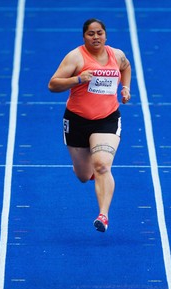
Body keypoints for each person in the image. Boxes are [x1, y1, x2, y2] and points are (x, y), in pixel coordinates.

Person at [48, 18, 132, 232]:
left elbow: (126, 66)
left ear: (106, 35)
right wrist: (77, 79)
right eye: (91, 34)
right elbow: (53, 84)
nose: (96, 37)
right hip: (77, 120)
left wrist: (126, 88)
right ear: (84, 36)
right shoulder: (75, 57)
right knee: (84, 175)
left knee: (103, 164)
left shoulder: (117, 54)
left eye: (99, 33)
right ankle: (94, 171)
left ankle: (103, 215)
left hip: (107, 119)